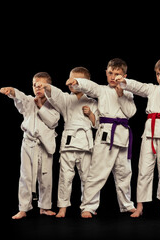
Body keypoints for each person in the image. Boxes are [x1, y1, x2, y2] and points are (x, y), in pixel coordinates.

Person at [66, 58, 136, 218]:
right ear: (106, 72)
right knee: (97, 172)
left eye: (117, 74)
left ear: (124, 76)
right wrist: (77, 82)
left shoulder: (128, 93)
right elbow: (89, 87)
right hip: (106, 135)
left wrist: (121, 94)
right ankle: (88, 207)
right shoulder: (101, 90)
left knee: (124, 173)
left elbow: (131, 113)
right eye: (110, 73)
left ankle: (126, 205)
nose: (113, 77)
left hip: (123, 136)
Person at [116, 57, 160, 217]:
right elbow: (137, 86)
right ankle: (139, 206)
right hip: (150, 134)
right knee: (144, 170)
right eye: (158, 74)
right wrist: (123, 82)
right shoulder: (151, 89)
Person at [38, 67, 99, 218]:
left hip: (86, 144)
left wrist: (90, 114)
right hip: (68, 143)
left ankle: (88, 207)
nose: (72, 84)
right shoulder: (66, 98)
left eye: (76, 81)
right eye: (70, 80)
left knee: (88, 177)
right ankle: (63, 207)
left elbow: (97, 124)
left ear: (86, 83)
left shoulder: (92, 101)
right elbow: (56, 96)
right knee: (65, 178)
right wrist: (47, 87)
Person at [0, 72, 60, 219]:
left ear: (48, 86)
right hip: (28, 143)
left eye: (41, 85)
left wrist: (41, 106)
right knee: (25, 175)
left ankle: (45, 207)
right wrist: (11, 91)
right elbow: (19, 97)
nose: (37, 88)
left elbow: (53, 122)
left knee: (45, 177)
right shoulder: (29, 101)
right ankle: (23, 208)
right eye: (34, 85)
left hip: (45, 144)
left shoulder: (55, 104)